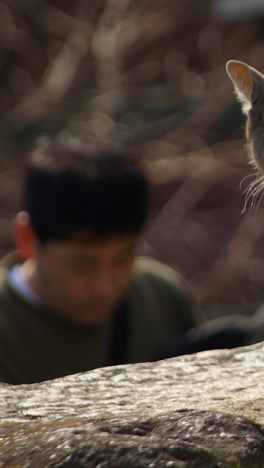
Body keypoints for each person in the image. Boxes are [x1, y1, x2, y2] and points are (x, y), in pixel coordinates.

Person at [0, 136, 203, 385]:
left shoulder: (160, 295)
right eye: (82, 264)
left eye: (123, 258)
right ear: (28, 239)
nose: (104, 286)